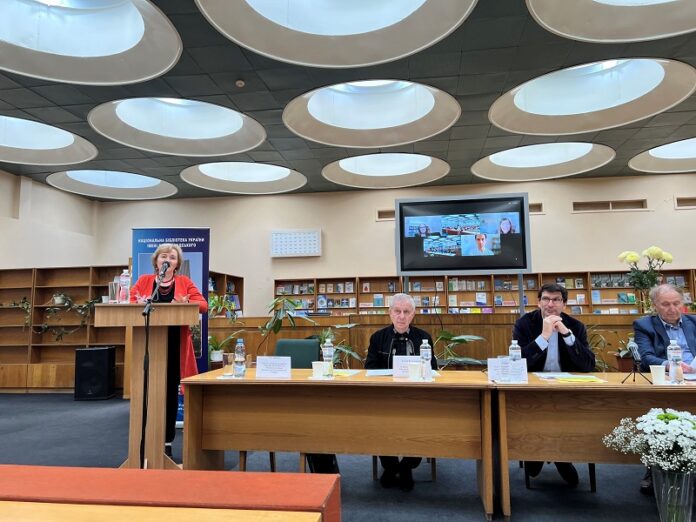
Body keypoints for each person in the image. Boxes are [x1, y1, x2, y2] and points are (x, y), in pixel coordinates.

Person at [512, 282, 595, 487]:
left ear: (564, 304)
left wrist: (566, 335)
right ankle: (536, 453)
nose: (551, 304)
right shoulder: (525, 324)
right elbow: (518, 362)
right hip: (532, 388)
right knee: (533, 413)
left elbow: (588, 365)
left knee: (568, 416)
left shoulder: (575, 326)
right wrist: (544, 336)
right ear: (538, 302)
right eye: (546, 299)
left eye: (556, 300)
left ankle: (561, 457)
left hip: (566, 388)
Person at [129, 243, 207, 459]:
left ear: (177, 264)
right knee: (147, 389)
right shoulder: (145, 281)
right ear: (156, 261)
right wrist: (139, 302)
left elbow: (203, 305)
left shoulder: (184, 282)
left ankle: (166, 440)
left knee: (169, 391)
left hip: (175, 344)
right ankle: (145, 439)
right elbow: (130, 300)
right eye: (164, 256)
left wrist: (187, 301)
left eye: (172, 257)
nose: (168, 260)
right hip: (147, 344)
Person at [365, 293, 437, 492]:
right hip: (385, 399)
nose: (402, 316)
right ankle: (390, 466)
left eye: (406, 312)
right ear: (390, 313)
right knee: (376, 421)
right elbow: (369, 369)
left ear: (413, 315)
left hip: (418, 398)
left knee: (423, 422)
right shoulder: (378, 338)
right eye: (397, 311)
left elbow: (433, 370)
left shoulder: (423, 338)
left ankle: (406, 466)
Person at [633, 283, 696, 495]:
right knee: (659, 415)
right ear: (655, 306)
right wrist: (672, 365)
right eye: (666, 304)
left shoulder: (694, 322)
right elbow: (646, 358)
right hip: (667, 381)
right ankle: (654, 468)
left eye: (677, 303)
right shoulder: (645, 325)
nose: (672, 308)